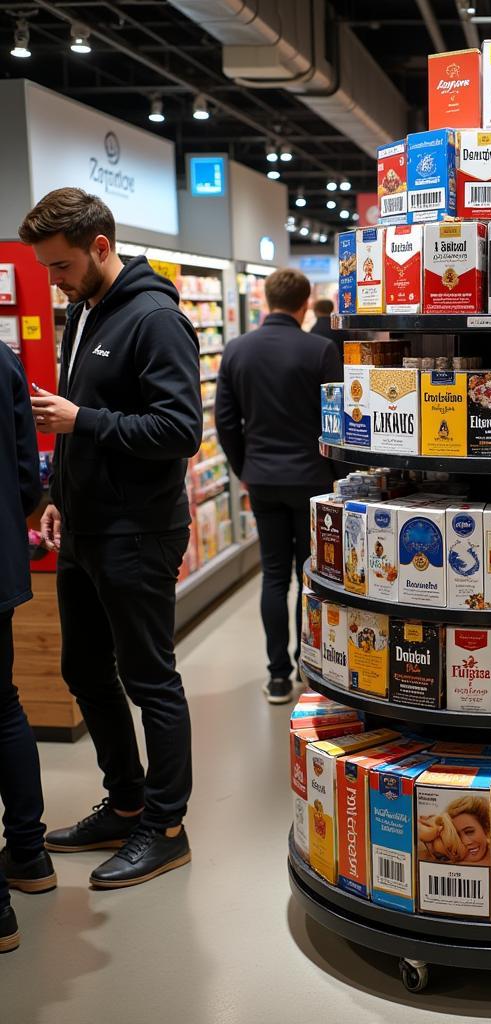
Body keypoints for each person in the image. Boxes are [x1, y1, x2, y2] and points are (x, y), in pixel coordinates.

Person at [21, 188, 202, 889]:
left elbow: (179, 431)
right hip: (87, 527)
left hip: (138, 531)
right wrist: (59, 495)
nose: (54, 280)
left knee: (150, 679)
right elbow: (83, 420)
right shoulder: (84, 309)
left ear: (100, 246)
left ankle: (165, 825)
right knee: (85, 672)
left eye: (61, 265)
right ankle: (126, 800)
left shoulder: (155, 318)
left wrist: (82, 421)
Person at [215, 269, 344, 704]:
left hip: (263, 479)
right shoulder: (321, 350)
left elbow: (225, 422)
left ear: (268, 300)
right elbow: (337, 422)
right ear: (306, 303)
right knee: (310, 576)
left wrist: (244, 468)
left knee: (273, 576)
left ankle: (276, 676)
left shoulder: (236, 351)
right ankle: (308, 664)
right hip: (313, 480)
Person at [0, 343, 54, 953]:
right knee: (4, 706)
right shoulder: (4, 358)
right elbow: (25, 472)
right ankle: (28, 854)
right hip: (1, 564)